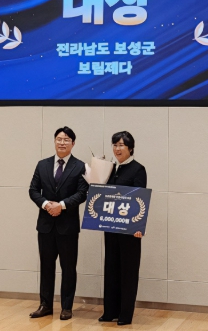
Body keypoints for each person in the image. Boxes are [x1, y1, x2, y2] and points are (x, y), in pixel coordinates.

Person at [29, 126, 88, 321]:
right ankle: (45, 305)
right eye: (59, 139)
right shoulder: (42, 164)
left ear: (73, 143)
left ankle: (66, 307)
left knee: (68, 268)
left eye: (66, 139)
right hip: (45, 225)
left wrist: (61, 206)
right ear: (54, 141)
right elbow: (33, 190)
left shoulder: (80, 167)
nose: (62, 143)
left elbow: (82, 193)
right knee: (46, 266)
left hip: (68, 226)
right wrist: (46, 205)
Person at [98, 131, 147, 326]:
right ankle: (110, 311)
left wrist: (138, 226)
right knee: (111, 268)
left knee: (128, 271)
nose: (117, 149)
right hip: (111, 227)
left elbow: (140, 200)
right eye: (115, 145)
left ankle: (125, 314)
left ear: (130, 148)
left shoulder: (138, 169)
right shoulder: (110, 168)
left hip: (130, 231)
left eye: (121, 145)